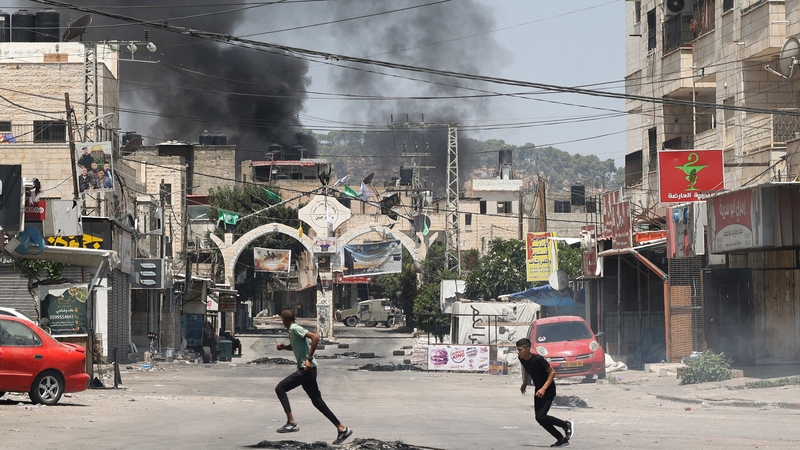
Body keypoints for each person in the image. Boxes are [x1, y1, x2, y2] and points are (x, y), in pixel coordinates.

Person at [274, 309, 352, 446]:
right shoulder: (292, 330)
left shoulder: (295, 328)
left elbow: (315, 337)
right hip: (309, 370)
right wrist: (284, 347)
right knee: (317, 401)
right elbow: (296, 347)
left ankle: (291, 422)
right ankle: (342, 429)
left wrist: (309, 359)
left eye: (281, 319)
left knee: (280, 388)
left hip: (306, 370)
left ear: (284, 320)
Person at [517, 338, 574, 448]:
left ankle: (565, 424)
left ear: (527, 349)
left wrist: (543, 389)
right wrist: (524, 382)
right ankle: (561, 439)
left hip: (548, 389)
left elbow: (552, 372)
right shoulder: (522, 358)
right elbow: (526, 369)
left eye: (520, 350)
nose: (518, 352)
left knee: (541, 416)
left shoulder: (538, 359)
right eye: (517, 350)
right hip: (538, 389)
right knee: (539, 418)